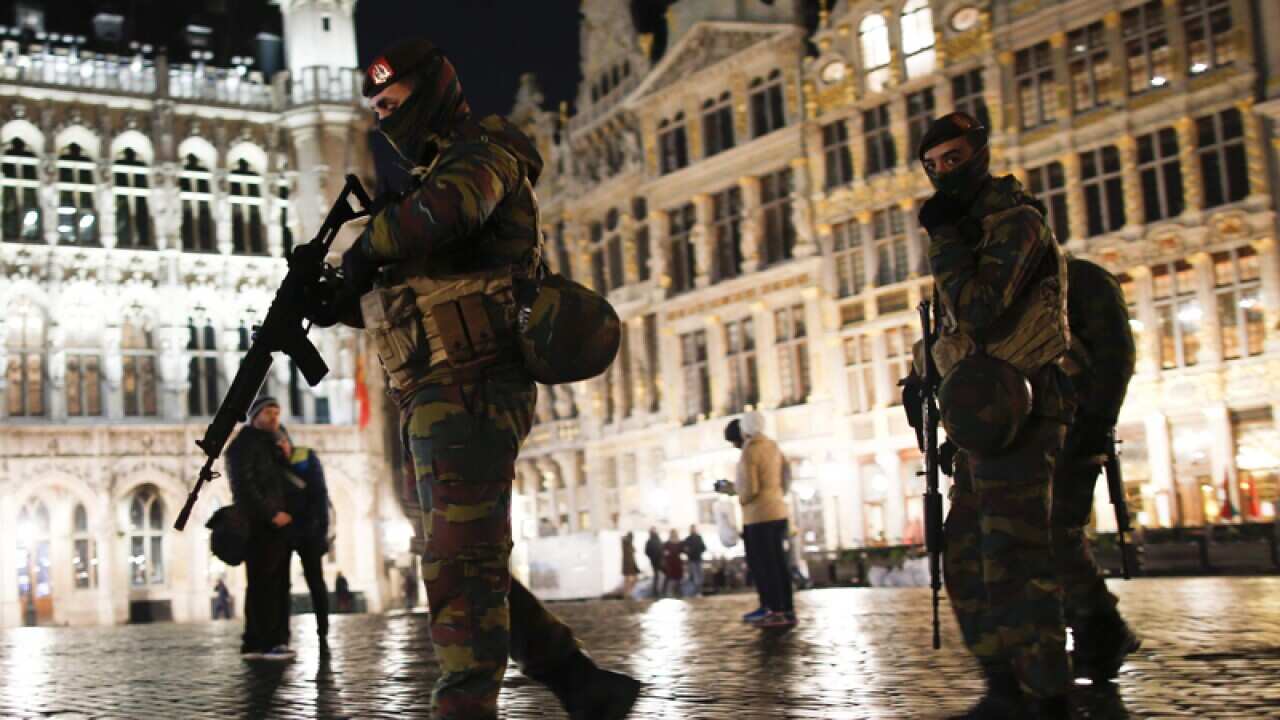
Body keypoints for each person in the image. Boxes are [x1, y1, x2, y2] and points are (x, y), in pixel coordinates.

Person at [318, 39, 640, 720]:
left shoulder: (483, 150)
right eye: (375, 109)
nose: (384, 118)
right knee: (464, 554)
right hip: (428, 392)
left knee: (459, 563)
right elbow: (406, 287)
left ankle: (465, 708)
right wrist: (339, 297)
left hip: (476, 385)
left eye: (393, 102)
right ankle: (580, 682)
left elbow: (452, 210)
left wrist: (368, 244)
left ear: (432, 91)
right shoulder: (428, 180)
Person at [906, 111, 1073, 718]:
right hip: (980, 414)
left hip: (1024, 406)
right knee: (966, 559)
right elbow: (958, 330)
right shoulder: (970, 228)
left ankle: (1047, 692)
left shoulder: (1017, 222)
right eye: (933, 165)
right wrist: (928, 373)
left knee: (1016, 561)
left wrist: (948, 241)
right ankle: (1003, 684)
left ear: (979, 153)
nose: (944, 172)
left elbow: (981, 308)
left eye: (953, 159)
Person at [1056, 250, 1141, 680]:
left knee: (1055, 533)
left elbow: (1115, 355)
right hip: (1010, 432)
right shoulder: (990, 286)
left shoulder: (1080, 279)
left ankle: (1098, 629)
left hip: (1071, 427)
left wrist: (1095, 421)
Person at [226, 396, 295, 662]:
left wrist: (286, 455)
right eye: (269, 412)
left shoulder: (274, 443)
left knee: (274, 583)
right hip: (260, 525)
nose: (274, 418)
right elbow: (244, 485)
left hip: (278, 524)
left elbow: (284, 480)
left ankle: (261, 640)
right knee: (264, 584)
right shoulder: (243, 444)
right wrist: (271, 513)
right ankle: (268, 641)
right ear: (255, 416)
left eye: (277, 413)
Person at [721, 413, 794, 628]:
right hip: (778, 511)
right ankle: (786, 608)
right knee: (779, 563)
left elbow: (749, 489)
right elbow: (786, 476)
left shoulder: (749, 452)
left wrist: (736, 494)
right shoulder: (773, 446)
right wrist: (778, 496)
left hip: (758, 516)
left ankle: (772, 609)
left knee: (763, 564)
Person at [278, 426, 333, 655]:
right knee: (281, 584)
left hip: (308, 530)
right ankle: (283, 636)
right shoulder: (271, 463)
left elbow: (320, 494)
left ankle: (323, 630)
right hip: (284, 530)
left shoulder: (305, 456)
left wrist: (321, 529)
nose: (279, 446)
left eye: (281, 441)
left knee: (315, 581)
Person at [682, 525, 706, 597]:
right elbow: (684, 549)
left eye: (694, 528)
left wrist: (699, 551)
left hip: (698, 559)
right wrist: (688, 552)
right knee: (695, 576)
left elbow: (703, 547)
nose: (693, 530)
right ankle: (695, 592)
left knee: (700, 576)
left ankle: (699, 591)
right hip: (692, 560)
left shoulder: (699, 538)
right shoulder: (688, 539)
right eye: (692, 529)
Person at [661, 529, 685, 598]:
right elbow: (664, 553)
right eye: (673, 533)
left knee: (678, 580)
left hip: (677, 563)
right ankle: (667, 594)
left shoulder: (680, 543)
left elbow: (683, 551)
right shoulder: (667, 543)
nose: (674, 535)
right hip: (670, 564)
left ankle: (678, 594)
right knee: (669, 580)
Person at [645, 527, 664, 597]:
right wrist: (652, 556)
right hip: (655, 561)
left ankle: (659, 591)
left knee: (660, 576)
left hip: (659, 561)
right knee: (657, 576)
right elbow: (647, 552)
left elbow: (661, 549)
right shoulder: (650, 541)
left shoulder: (658, 540)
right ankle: (656, 592)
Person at [621, 531, 640, 598]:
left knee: (632, 579)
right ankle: (626, 594)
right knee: (628, 580)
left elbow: (633, 551)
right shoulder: (626, 543)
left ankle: (627, 593)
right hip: (628, 565)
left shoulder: (628, 543)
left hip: (631, 564)